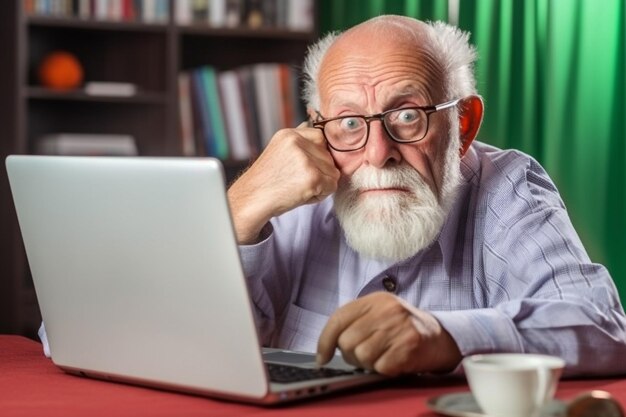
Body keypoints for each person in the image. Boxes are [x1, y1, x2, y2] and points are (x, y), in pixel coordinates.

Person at [226, 15, 626, 376]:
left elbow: (602, 326)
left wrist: (445, 336)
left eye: (407, 116)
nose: (378, 154)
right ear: (317, 127)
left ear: (463, 126)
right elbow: (205, 339)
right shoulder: (298, 197)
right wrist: (238, 209)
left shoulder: (508, 188)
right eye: (348, 122)